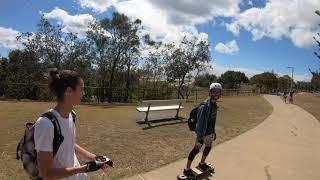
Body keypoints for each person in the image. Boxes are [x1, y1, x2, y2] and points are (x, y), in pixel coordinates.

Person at [34, 69, 110, 180]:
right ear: (69, 91)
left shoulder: (71, 115)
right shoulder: (45, 124)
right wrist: (86, 168)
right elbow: (45, 174)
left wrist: (94, 157)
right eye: (81, 89)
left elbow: (69, 143)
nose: (84, 94)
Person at [183, 83, 222, 178]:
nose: (216, 93)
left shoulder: (214, 104)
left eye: (218, 92)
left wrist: (213, 132)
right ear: (210, 92)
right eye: (214, 91)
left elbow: (212, 121)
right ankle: (187, 169)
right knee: (196, 150)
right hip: (201, 134)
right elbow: (199, 123)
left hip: (209, 133)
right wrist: (200, 136)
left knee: (208, 147)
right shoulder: (204, 106)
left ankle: (202, 163)